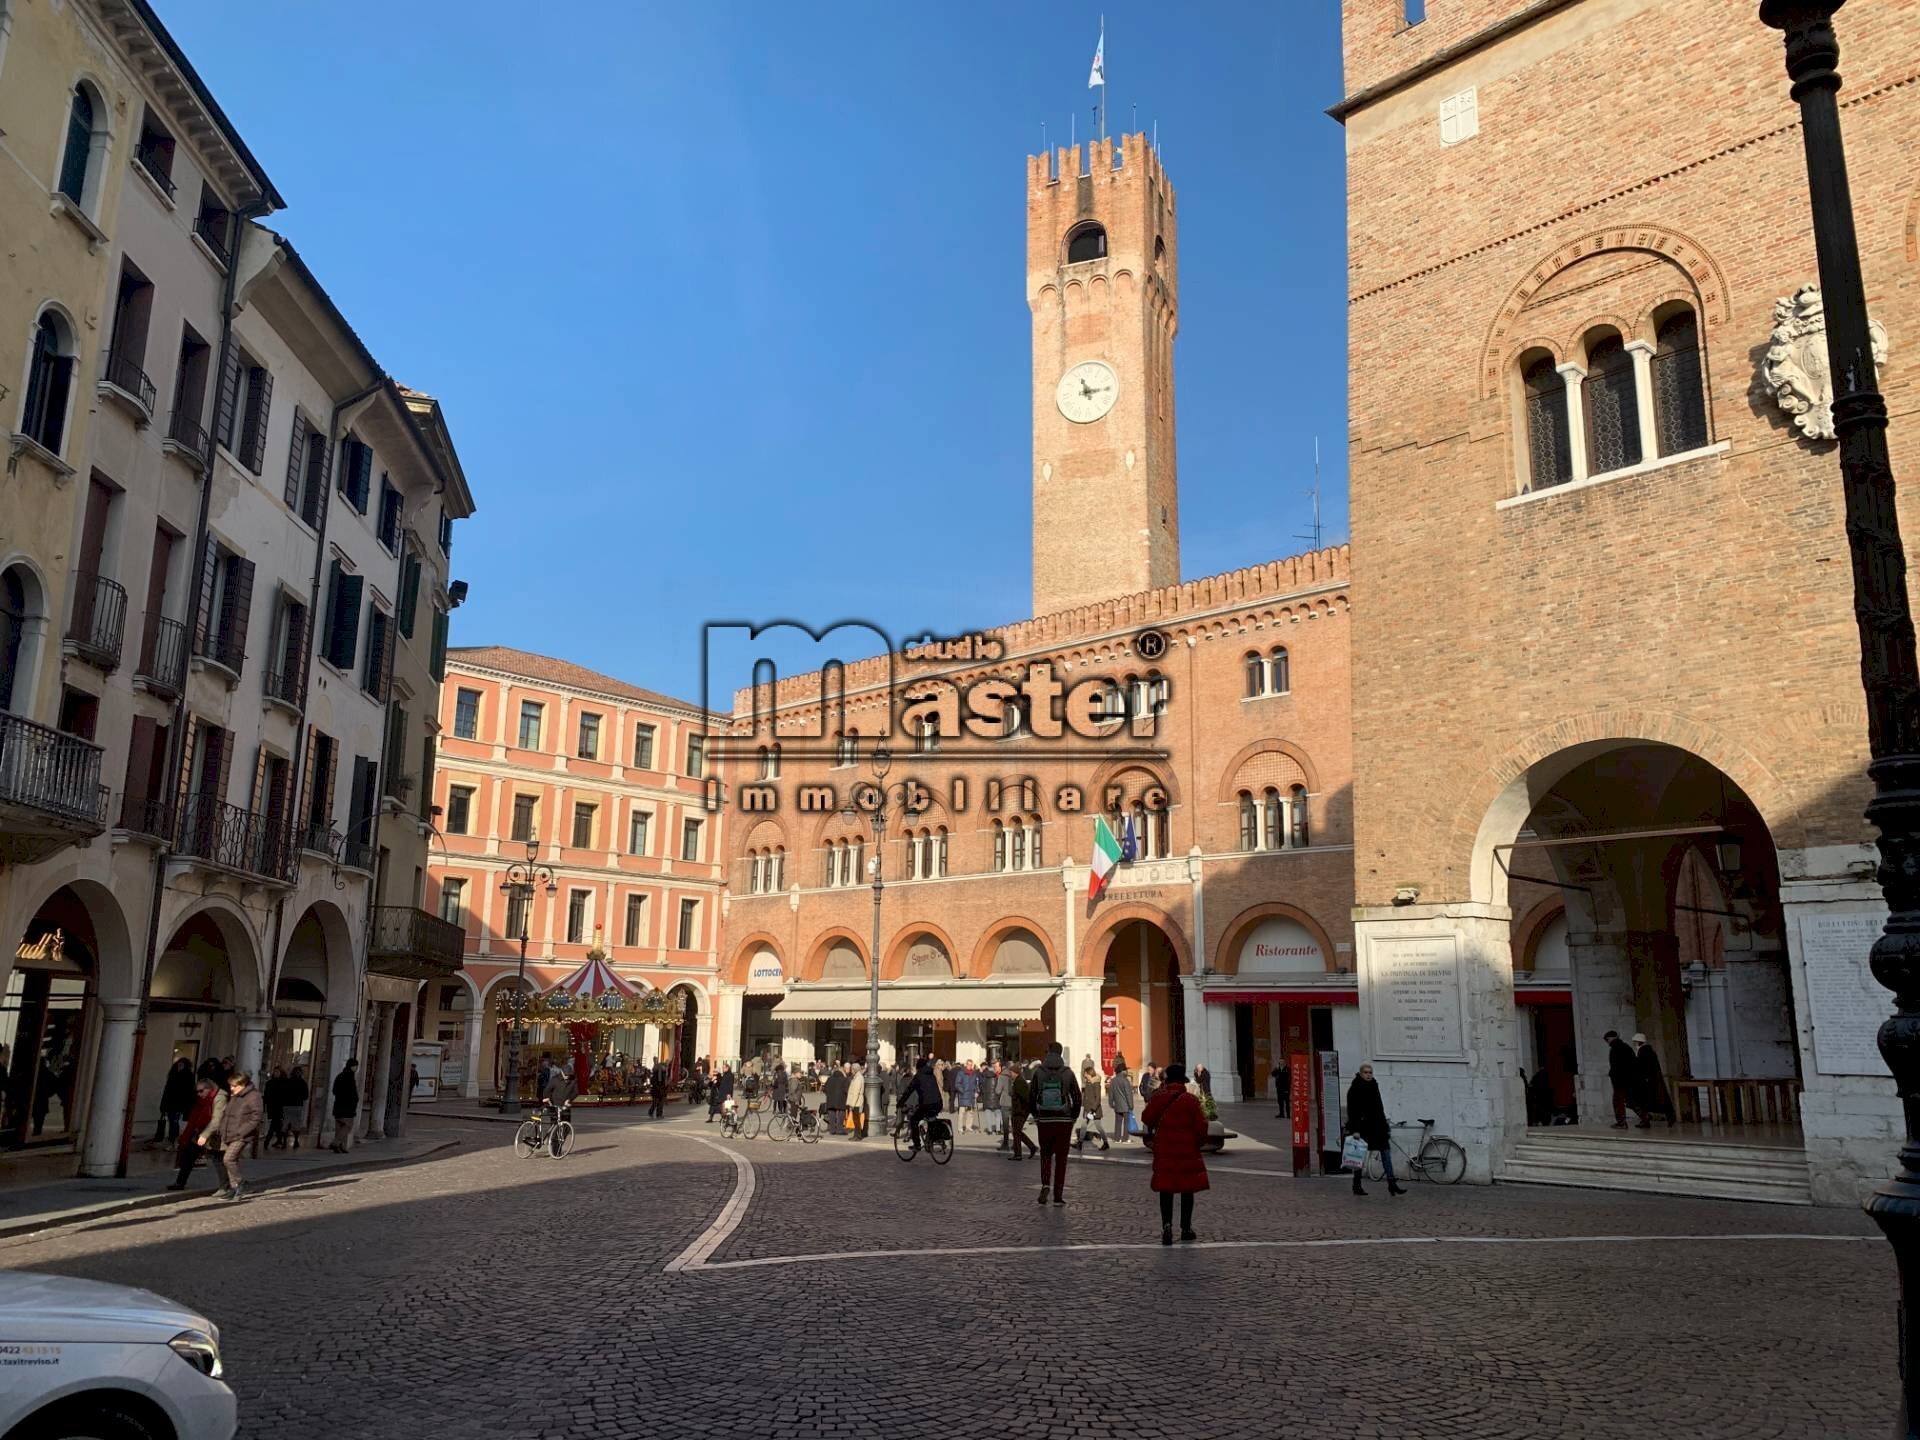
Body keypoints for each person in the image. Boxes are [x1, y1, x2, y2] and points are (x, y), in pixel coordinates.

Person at [1142, 1063, 1210, 1243]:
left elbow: (1146, 1117)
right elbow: (1202, 1126)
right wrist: (1197, 1144)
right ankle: (1186, 1228)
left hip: (1165, 1150)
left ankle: (1167, 1226)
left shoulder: (1159, 1098)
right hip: (1187, 1150)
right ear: (1183, 1081)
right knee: (1187, 1190)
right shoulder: (1191, 1100)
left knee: (1166, 1189)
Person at [1029, 1042, 1082, 1206]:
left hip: (1044, 1120)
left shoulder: (1039, 1072)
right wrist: (1073, 1116)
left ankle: (1045, 1184)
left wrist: (1036, 1115)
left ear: (1048, 1053)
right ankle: (1058, 1196)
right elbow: (1077, 1097)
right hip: (1064, 1121)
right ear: (1060, 1054)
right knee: (1061, 1159)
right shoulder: (1068, 1072)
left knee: (1045, 1155)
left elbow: (1031, 1096)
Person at [1345, 1063, 1404, 1197]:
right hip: (1363, 1127)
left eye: (1370, 1072)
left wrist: (1385, 1126)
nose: (1368, 1075)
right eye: (1366, 1072)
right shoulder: (1355, 1089)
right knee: (1360, 1155)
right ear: (1361, 1074)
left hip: (1378, 1127)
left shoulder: (1374, 1086)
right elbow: (1352, 1111)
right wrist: (1355, 1129)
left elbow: (1379, 1108)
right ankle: (1356, 1184)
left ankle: (1392, 1183)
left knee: (1386, 1152)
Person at [166, 1079, 223, 1192]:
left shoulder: (217, 1099)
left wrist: (206, 1134)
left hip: (212, 1134)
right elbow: (193, 1120)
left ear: (209, 1089)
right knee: (188, 1157)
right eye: (197, 1091)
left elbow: (216, 1120)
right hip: (198, 1133)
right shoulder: (199, 1103)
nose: (199, 1094)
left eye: (201, 1091)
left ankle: (228, 1184)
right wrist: (185, 1137)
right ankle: (180, 1182)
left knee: (218, 1159)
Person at [219, 1071, 264, 1202]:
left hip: (241, 1135)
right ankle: (234, 1188)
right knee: (232, 1161)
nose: (231, 1088)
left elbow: (256, 1118)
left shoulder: (253, 1096)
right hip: (229, 1132)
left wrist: (242, 1131)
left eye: (234, 1086)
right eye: (231, 1085)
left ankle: (242, 1183)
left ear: (243, 1084)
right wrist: (222, 1128)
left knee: (228, 1159)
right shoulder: (235, 1096)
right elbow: (227, 1115)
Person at [1632, 1033, 1675, 1128]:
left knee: (1650, 1100)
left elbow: (1643, 1066)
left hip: (1649, 1080)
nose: (1635, 1043)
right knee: (1655, 1100)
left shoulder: (1644, 1051)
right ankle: (1648, 1119)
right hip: (1651, 1079)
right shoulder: (1646, 1050)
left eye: (1636, 1041)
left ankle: (1647, 1119)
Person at [901, 1056, 942, 1152]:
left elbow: (909, 1090)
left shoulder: (918, 1076)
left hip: (927, 1104)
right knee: (930, 1120)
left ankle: (917, 1145)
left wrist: (901, 1102)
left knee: (913, 1120)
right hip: (938, 1103)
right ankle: (930, 1141)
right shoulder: (932, 1074)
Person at [1605, 1030, 1643, 1129]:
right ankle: (1645, 1117)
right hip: (1629, 1080)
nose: (1607, 1042)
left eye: (1607, 1040)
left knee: (1618, 1101)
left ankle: (1621, 1123)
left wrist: (1614, 1076)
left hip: (1620, 1081)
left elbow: (1616, 1067)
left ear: (1611, 1038)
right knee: (1631, 1100)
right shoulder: (1626, 1047)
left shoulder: (1615, 1049)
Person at [155, 1057, 196, 1143]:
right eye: (179, 1064)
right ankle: (173, 1140)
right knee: (172, 1122)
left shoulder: (187, 1076)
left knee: (174, 1122)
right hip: (171, 1103)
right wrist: (164, 1106)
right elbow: (167, 1091)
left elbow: (189, 1092)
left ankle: (174, 1140)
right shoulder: (173, 1075)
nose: (180, 1066)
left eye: (182, 1065)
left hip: (179, 1104)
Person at [1075, 1058, 1110, 1153]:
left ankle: (1105, 1143)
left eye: (1085, 1073)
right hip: (1088, 1109)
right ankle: (1080, 1143)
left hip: (1094, 1110)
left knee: (1097, 1126)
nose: (1084, 1075)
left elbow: (1098, 1099)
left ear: (1089, 1073)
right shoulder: (1088, 1082)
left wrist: (1092, 1110)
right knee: (1084, 1125)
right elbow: (1086, 1096)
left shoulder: (1096, 1084)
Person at [1006, 1061, 1038, 1161]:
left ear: (1015, 1073)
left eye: (1011, 1072)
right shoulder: (1017, 1081)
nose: (1010, 1074)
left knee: (1016, 1132)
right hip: (1018, 1110)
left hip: (1020, 1112)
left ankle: (1020, 1153)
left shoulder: (1020, 1082)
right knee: (1017, 1132)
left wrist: (1024, 1110)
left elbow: (1025, 1098)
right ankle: (1028, 1149)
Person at [330, 1057, 360, 1152]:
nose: (356, 1068)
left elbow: (334, 1090)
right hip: (347, 1107)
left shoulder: (339, 1076)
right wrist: (354, 1100)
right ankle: (336, 1142)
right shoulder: (350, 1077)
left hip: (338, 1105)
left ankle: (341, 1147)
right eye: (356, 1066)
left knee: (339, 1128)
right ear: (352, 1066)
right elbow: (353, 1093)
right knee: (347, 1126)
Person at [1107, 1059, 1136, 1146]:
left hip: (1117, 1105)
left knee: (1118, 1122)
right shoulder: (1125, 1080)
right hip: (1126, 1105)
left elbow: (1110, 1093)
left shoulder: (1113, 1080)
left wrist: (1111, 1103)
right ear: (1123, 1071)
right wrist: (1131, 1105)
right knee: (1126, 1122)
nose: (1127, 1071)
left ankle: (1117, 1138)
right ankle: (1125, 1138)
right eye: (1126, 1070)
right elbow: (1128, 1094)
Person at [281, 1064, 309, 1150]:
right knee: (296, 1124)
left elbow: (283, 1092)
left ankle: (284, 1142)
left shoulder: (288, 1081)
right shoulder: (303, 1083)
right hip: (297, 1105)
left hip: (287, 1105)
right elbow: (306, 1096)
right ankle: (296, 1141)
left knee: (286, 1123)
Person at [264, 1066, 288, 1149]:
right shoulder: (269, 1083)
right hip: (272, 1106)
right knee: (277, 1125)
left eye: (277, 1072)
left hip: (280, 1107)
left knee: (274, 1125)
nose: (275, 1073)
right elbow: (267, 1095)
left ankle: (267, 1141)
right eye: (274, 1072)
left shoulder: (284, 1083)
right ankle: (280, 1140)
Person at [955, 1061, 980, 1134]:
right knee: (961, 1113)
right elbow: (957, 1084)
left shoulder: (974, 1074)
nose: (970, 1066)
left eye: (971, 1065)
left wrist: (977, 1091)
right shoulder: (961, 1073)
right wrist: (962, 1091)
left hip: (971, 1096)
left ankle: (968, 1127)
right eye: (968, 1064)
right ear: (966, 1065)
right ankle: (960, 1128)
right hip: (964, 1095)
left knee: (970, 1113)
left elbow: (976, 1084)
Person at [824, 1061, 849, 1136]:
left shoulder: (829, 1079)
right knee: (841, 1113)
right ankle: (839, 1129)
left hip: (830, 1099)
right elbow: (846, 1090)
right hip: (841, 1099)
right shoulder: (844, 1079)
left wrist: (829, 1095)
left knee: (832, 1113)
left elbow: (825, 1089)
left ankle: (832, 1129)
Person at [845, 1062, 867, 1139]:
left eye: (852, 1069)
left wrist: (852, 1104)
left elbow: (856, 1093)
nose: (851, 1071)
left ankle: (857, 1136)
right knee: (855, 1119)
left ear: (855, 1070)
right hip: (856, 1102)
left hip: (856, 1102)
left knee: (856, 1120)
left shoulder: (858, 1078)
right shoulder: (857, 1077)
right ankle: (856, 1135)